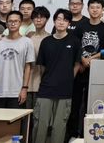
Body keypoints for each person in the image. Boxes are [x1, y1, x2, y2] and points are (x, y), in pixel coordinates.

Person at [66, 0, 104, 140]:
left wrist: (92, 59)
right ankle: (73, 134)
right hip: (80, 70)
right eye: (92, 7)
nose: (95, 10)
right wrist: (82, 59)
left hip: (97, 72)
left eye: (98, 7)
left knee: (92, 104)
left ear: (103, 10)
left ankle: (87, 134)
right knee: (75, 104)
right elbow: (75, 45)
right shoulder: (81, 26)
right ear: (87, 9)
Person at [33, 8, 82, 143]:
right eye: (59, 19)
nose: (61, 22)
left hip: (65, 90)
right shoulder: (46, 41)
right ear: (54, 21)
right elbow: (42, 67)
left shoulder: (74, 41)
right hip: (46, 89)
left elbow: (77, 64)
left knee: (59, 126)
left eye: (65, 20)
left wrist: (68, 79)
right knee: (40, 125)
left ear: (69, 24)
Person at [0, 10, 35, 108]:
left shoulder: (27, 42)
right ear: (6, 23)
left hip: (16, 92)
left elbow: (28, 67)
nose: (13, 23)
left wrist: (24, 88)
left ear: (20, 23)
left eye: (16, 21)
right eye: (10, 21)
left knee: (15, 118)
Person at [27, 6, 51, 110]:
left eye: (42, 17)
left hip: (43, 83)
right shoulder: (28, 38)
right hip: (27, 83)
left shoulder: (50, 38)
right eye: (36, 17)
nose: (38, 20)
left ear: (47, 19)